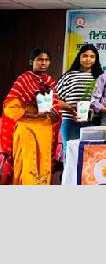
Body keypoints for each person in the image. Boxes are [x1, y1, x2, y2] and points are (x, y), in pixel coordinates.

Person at [0, 48, 62, 185]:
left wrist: (55, 115)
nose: (43, 63)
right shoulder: (23, 79)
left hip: (45, 131)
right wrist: (35, 115)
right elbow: (10, 108)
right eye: (40, 59)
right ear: (31, 62)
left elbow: (56, 108)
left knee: (43, 166)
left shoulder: (50, 81)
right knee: (28, 165)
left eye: (46, 60)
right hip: (27, 129)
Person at [57, 44, 103, 152]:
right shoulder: (68, 76)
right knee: (71, 152)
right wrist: (70, 108)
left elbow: (104, 101)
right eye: (85, 56)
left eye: (92, 57)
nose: (88, 59)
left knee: (91, 154)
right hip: (70, 121)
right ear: (79, 57)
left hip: (93, 122)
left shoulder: (100, 77)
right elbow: (56, 99)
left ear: (96, 59)